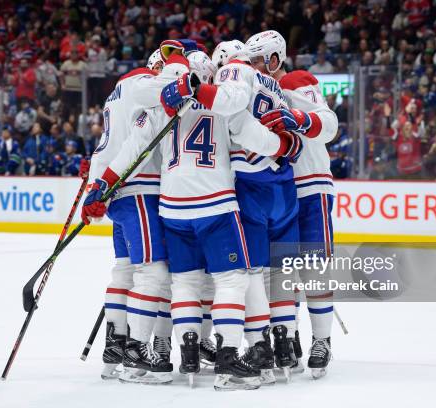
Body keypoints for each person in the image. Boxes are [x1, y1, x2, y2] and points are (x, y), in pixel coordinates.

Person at [89, 49, 299, 391]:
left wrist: (103, 183)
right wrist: (284, 145)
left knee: (183, 281)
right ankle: (229, 357)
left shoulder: (163, 103)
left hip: (172, 208)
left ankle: (185, 351)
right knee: (232, 279)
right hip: (215, 204)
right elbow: (255, 139)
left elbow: (134, 148)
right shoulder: (223, 103)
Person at [245, 30, 339, 379]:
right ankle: (289, 337)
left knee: (314, 267)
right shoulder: (250, 90)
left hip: (310, 184)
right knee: (281, 271)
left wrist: (299, 119)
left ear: (274, 59)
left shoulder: (297, 81)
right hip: (278, 191)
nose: (253, 67)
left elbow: (329, 124)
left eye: (258, 60)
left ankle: (322, 340)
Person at [83, 47, 175, 383]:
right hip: (140, 190)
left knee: (124, 271)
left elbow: (105, 148)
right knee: (154, 272)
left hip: (116, 192)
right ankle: (137, 354)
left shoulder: (115, 93)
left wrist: (96, 186)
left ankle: (114, 349)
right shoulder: (145, 84)